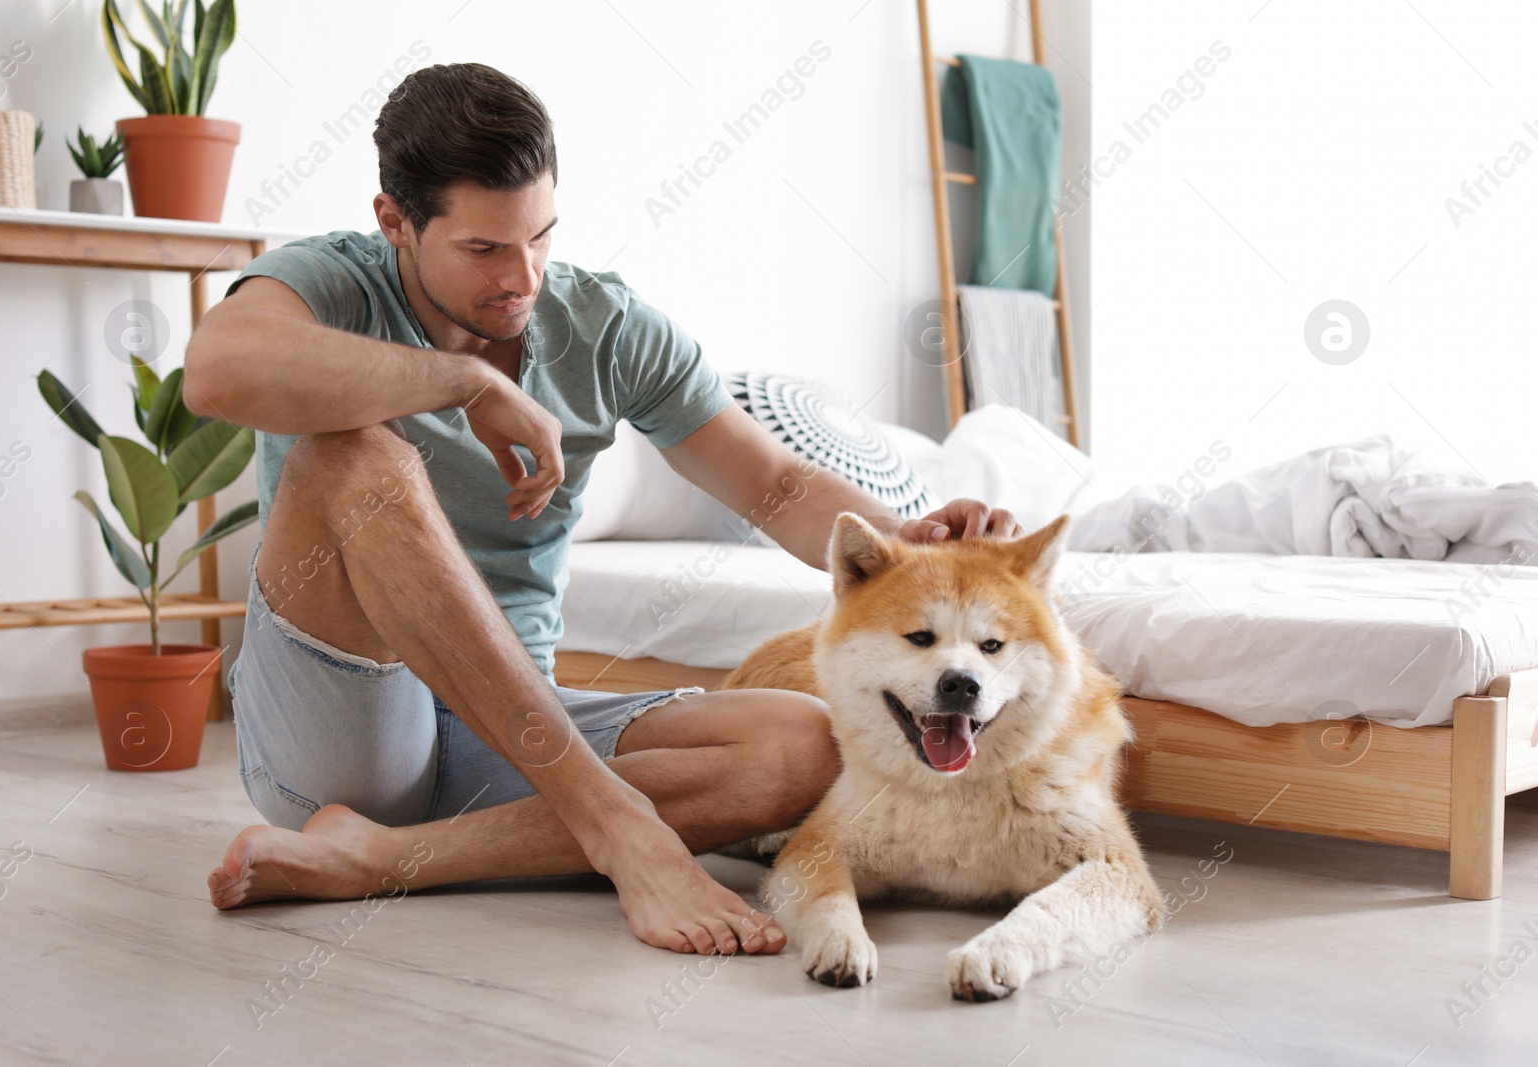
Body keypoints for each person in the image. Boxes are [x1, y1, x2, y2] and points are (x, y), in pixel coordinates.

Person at [187, 62, 1021, 957]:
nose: (524, 278)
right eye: (484, 250)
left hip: (517, 730)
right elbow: (216, 371)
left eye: (540, 237)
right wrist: (464, 382)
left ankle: (383, 859)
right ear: (395, 220)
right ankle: (617, 828)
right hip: (342, 735)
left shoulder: (605, 326)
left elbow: (774, 484)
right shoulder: (333, 280)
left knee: (806, 742)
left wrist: (908, 543)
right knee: (354, 451)